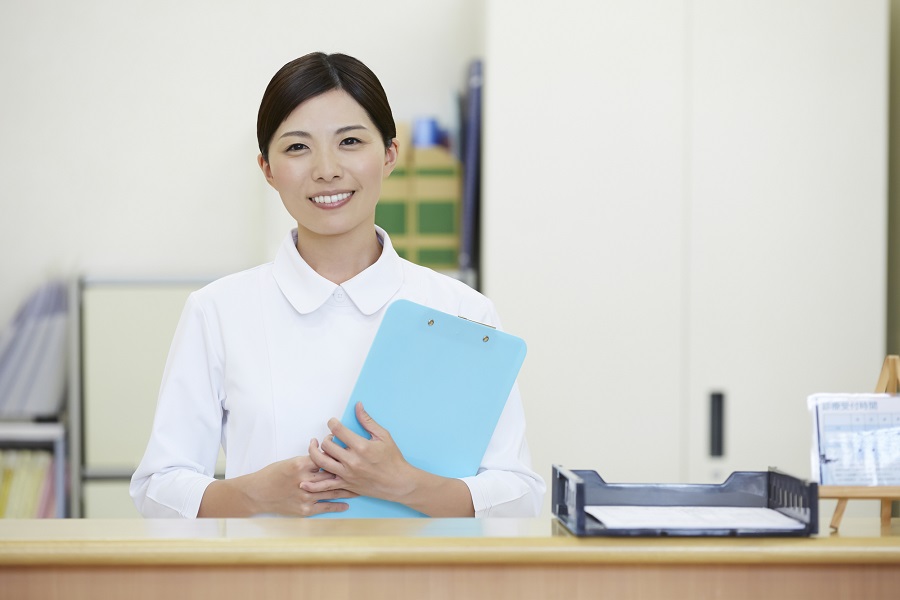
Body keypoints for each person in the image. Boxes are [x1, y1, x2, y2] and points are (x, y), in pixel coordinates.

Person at [130, 52, 545, 518]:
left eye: (350, 141)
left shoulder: (463, 311)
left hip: (417, 567)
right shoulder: (218, 310)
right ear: (267, 169)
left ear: (389, 155)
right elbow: (157, 488)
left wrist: (409, 487)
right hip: (267, 566)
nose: (326, 169)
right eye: (297, 147)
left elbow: (520, 495)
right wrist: (252, 495)